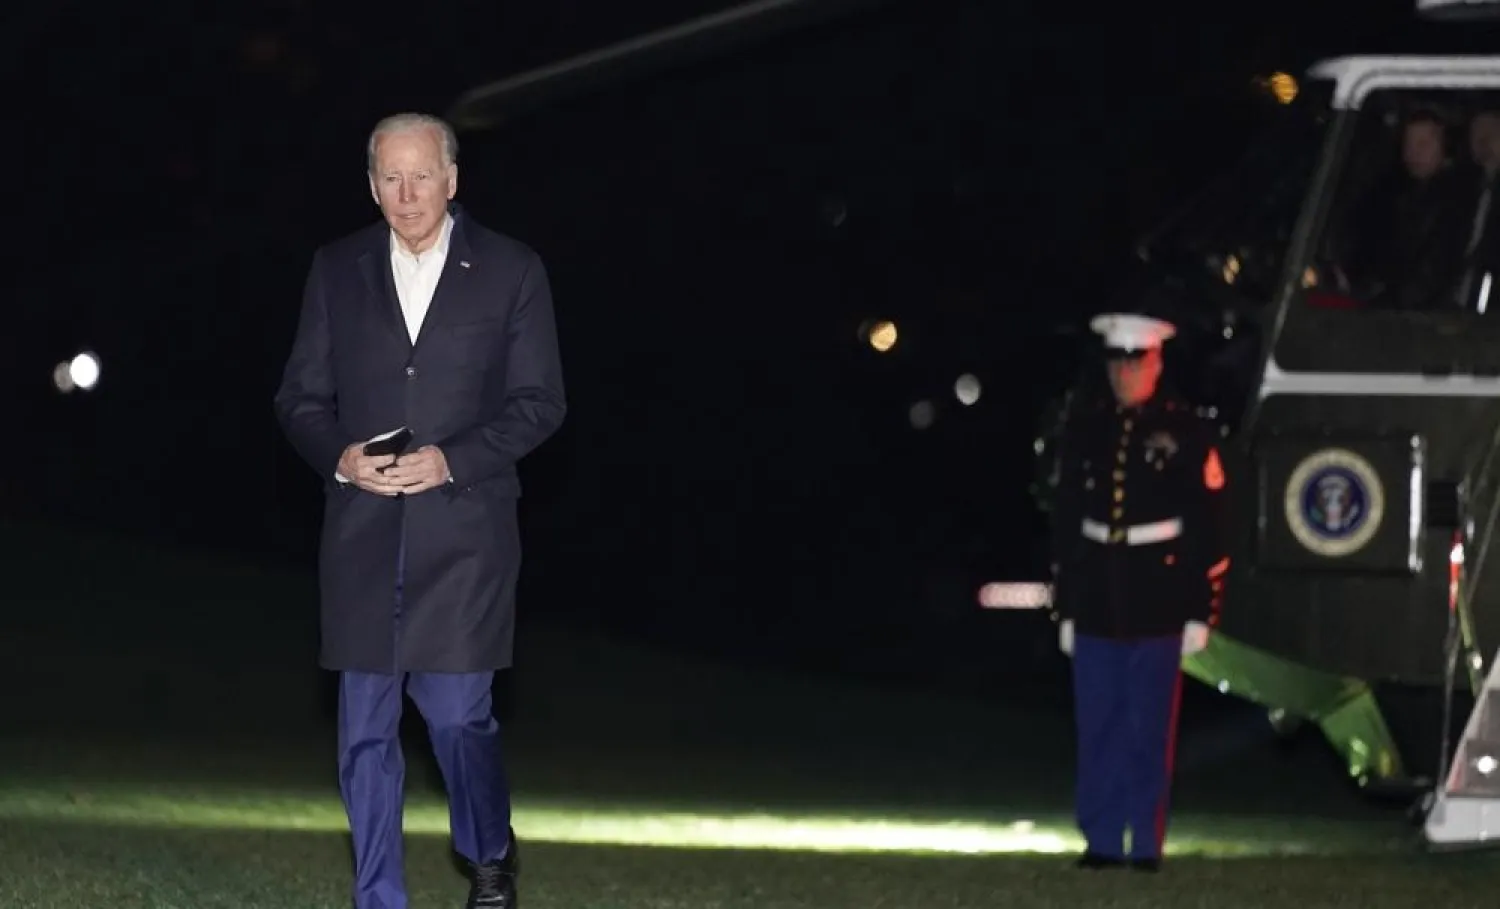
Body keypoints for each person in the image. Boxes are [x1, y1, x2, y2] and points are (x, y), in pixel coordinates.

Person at [274, 111, 566, 909]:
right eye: (390, 179)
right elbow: (299, 399)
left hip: (465, 534)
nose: (407, 195)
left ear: (453, 179)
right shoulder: (336, 268)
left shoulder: (510, 269)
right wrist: (340, 455)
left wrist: (451, 458)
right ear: (371, 185)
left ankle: (489, 848)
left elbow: (541, 402)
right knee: (364, 729)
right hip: (362, 534)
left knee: (455, 715)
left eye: (422, 176)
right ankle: (379, 897)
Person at [1047, 312, 1228, 872]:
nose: (1125, 372)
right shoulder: (1085, 428)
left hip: (1158, 594)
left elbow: (1208, 522)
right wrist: (1067, 606)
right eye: (1116, 361)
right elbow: (1068, 521)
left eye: (1136, 360)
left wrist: (1202, 607)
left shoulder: (1187, 431)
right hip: (1100, 590)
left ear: (1156, 362)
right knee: (1098, 723)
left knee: (1148, 727)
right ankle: (1102, 838)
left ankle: (1144, 842)